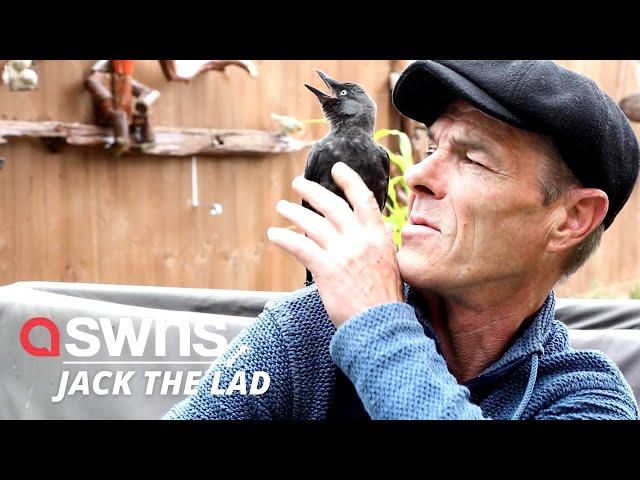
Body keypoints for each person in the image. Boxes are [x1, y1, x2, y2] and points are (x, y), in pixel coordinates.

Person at [164, 60, 640, 419]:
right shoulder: (308, 327)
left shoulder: (586, 396)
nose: (414, 175)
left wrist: (377, 323)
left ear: (572, 218)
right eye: (431, 147)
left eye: (473, 159)